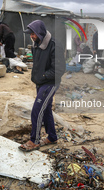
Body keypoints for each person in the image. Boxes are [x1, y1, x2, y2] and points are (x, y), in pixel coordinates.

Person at [19, 20, 65, 152]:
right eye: (30, 34)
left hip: (50, 83)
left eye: (33, 33)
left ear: (40, 33)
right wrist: (37, 78)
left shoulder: (55, 45)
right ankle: (52, 137)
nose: (31, 36)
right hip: (40, 82)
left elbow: (59, 70)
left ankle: (34, 140)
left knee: (37, 110)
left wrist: (43, 77)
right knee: (45, 110)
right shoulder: (36, 45)